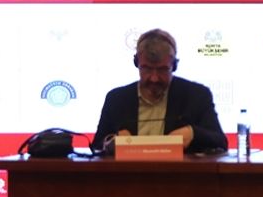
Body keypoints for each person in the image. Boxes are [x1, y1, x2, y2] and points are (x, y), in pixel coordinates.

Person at [92, 29, 227, 154]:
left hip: (179, 172)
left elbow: (220, 142)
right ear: (137, 64)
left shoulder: (196, 95)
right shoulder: (116, 99)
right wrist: (112, 142)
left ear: (174, 66)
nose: (154, 78)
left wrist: (194, 133)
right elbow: (96, 145)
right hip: (128, 172)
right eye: (147, 69)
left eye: (162, 69)